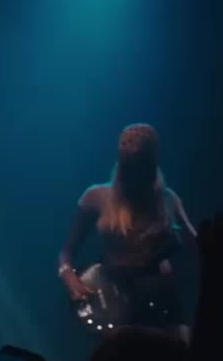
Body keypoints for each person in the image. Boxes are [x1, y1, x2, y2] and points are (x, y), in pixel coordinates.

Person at [58, 123, 196, 335]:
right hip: (114, 298)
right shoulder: (96, 196)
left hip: (159, 299)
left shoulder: (169, 200)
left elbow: (195, 247)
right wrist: (69, 277)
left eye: (138, 169)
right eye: (128, 169)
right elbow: (67, 251)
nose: (133, 177)